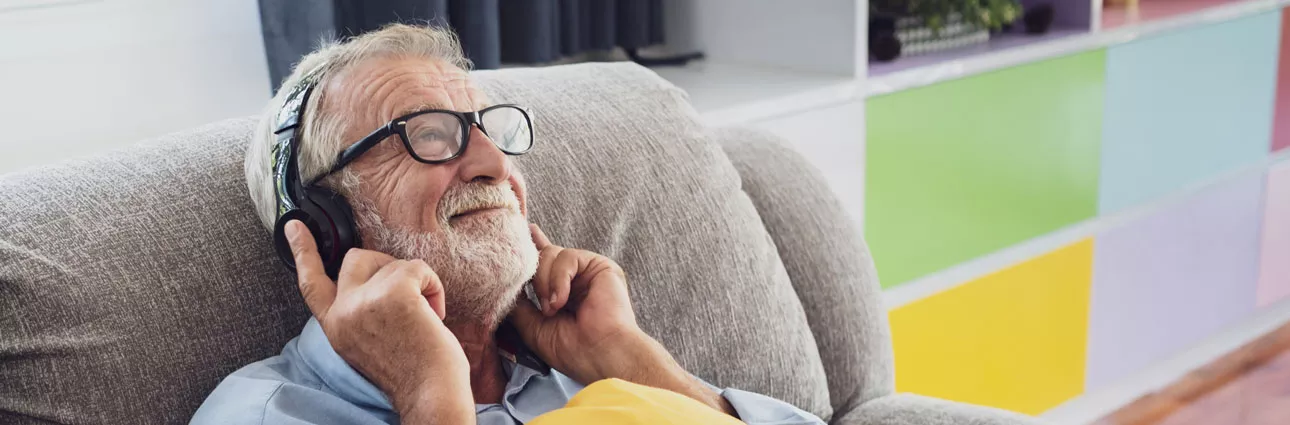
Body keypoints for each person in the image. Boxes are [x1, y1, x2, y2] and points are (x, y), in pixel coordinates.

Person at [191, 24, 823, 425]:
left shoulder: (595, 369)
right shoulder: (262, 414)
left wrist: (629, 360)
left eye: (489, 129)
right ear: (327, 226)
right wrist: (428, 396)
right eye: (430, 136)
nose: (496, 164)